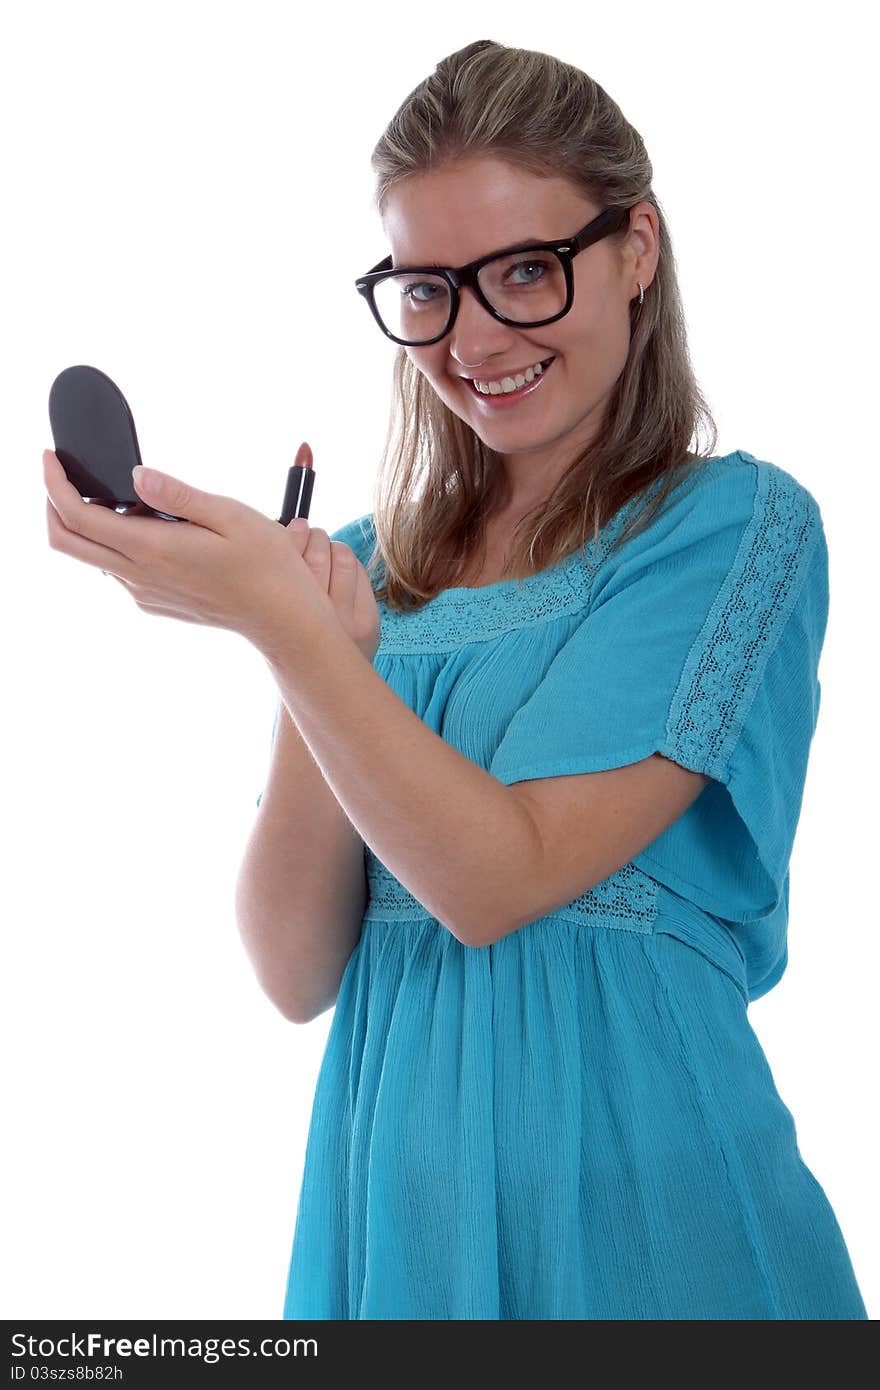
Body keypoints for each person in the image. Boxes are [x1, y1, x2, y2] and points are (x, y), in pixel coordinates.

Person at [44, 39, 867, 1321]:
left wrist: (301, 636)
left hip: (651, 1221)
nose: (471, 338)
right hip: (398, 1223)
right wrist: (297, 640)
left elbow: (496, 877)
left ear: (635, 247)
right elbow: (294, 966)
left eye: (525, 273)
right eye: (425, 289)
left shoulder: (730, 528)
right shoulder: (361, 575)